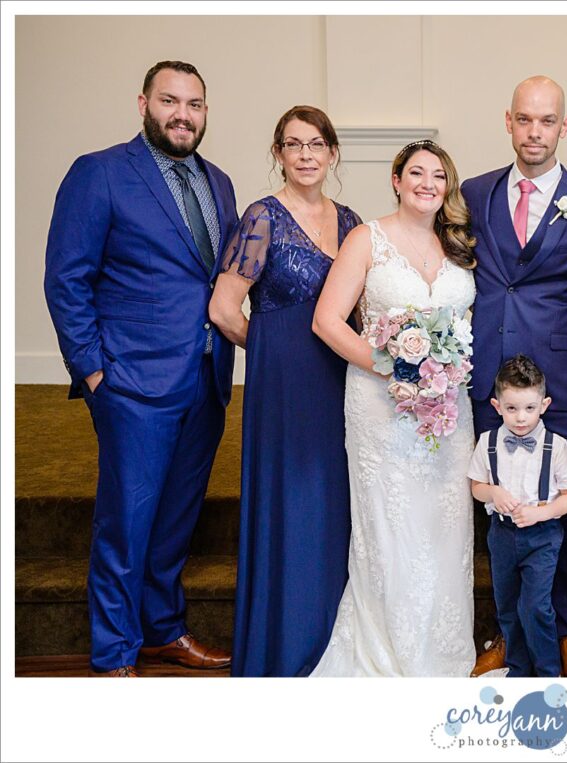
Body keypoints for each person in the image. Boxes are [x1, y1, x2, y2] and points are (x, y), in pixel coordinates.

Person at [43, 61, 238, 676]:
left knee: (175, 522)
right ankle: (114, 654)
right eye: (170, 101)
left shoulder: (221, 182)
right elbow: (66, 278)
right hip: (131, 384)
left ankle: (162, 631)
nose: (183, 114)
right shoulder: (99, 173)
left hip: (205, 380)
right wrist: (94, 371)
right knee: (125, 526)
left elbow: (227, 278)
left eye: (195, 104)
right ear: (143, 104)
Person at [463, 75, 567, 675]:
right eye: (524, 120)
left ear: (564, 126)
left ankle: (559, 630)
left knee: (563, 510)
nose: (534, 131)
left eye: (546, 121)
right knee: (493, 510)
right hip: (487, 387)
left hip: (558, 387)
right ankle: (503, 633)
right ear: (508, 122)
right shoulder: (473, 193)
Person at [308, 140, 477, 676]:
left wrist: (439, 372)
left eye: (438, 176)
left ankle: (443, 652)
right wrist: (392, 366)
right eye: (417, 173)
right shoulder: (367, 240)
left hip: (449, 411)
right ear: (397, 180)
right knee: (391, 526)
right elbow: (328, 321)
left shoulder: (459, 246)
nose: (428, 183)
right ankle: (389, 649)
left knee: (445, 527)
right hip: (381, 408)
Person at [209, 106, 361, 677]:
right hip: (283, 386)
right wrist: (272, 350)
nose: (305, 154)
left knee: (332, 502)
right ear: (278, 153)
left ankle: (330, 641)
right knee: (290, 502)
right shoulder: (261, 217)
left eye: (315, 144)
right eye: (293, 144)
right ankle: (282, 645)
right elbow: (224, 309)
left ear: (332, 154)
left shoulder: (350, 222)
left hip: (338, 378)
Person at [468, 355, 567, 677]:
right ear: (496, 405)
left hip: (542, 537)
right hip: (501, 535)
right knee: (508, 606)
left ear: (544, 404)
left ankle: (548, 672)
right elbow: (476, 486)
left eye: (529, 408)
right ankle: (517, 668)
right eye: (512, 408)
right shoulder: (488, 444)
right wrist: (493, 493)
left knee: (535, 607)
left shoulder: (556, 447)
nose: (521, 418)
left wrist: (539, 513)